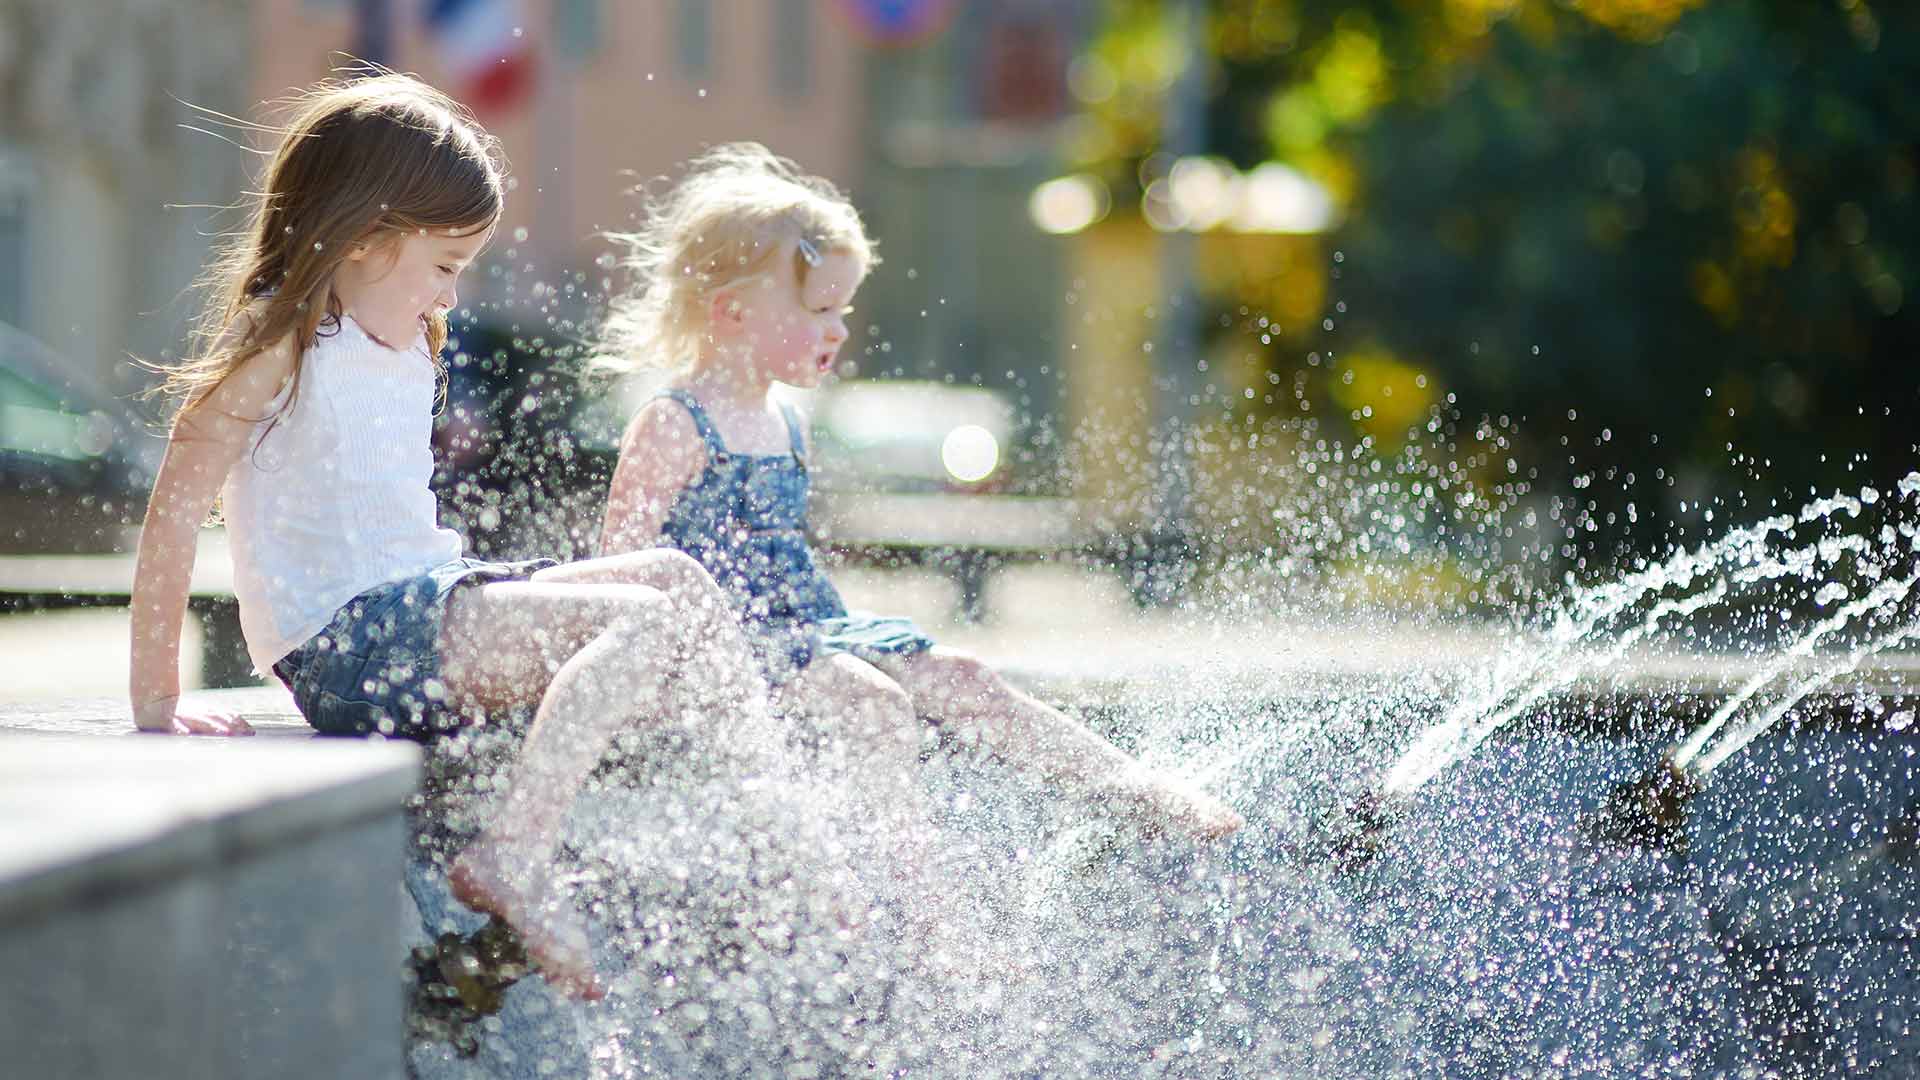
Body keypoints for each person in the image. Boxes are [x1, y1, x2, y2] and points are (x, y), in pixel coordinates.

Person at [128, 73, 778, 1001]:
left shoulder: (409, 339)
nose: (455, 293)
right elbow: (171, 516)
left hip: (423, 605)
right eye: (445, 264)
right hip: (349, 646)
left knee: (680, 584)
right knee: (635, 621)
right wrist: (158, 701)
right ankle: (515, 853)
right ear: (362, 240)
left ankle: (775, 839)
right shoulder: (284, 347)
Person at [596, 143, 1243, 841]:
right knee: (872, 704)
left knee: (964, 674)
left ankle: (1129, 786)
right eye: (818, 308)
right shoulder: (675, 423)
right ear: (730, 313)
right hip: (723, 649)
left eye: (844, 307)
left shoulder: (784, 422)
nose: (839, 328)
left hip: (807, 632)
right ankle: (923, 925)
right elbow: (616, 568)